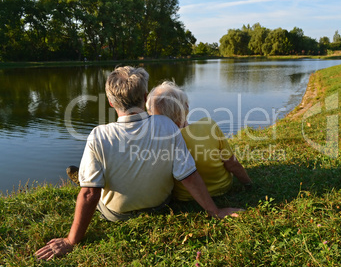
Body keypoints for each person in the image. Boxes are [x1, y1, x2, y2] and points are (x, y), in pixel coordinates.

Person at [35, 66, 242, 261]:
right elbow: (188, 176)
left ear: (110, 102)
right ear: (144, 98)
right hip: (160, 205)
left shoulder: (99, 135)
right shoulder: (167, 126)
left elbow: (90, 195)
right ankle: (86, 176)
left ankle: (85, 177)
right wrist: (215, 211)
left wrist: (71, 240)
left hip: (116, 215)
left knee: (89, 187)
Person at [146, 81, 252, 201]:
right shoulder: (208, 125)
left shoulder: (157, 140)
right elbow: (231, 163)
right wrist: (248, 183)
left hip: (184, 196)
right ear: (186, 107)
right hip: (222, 188)